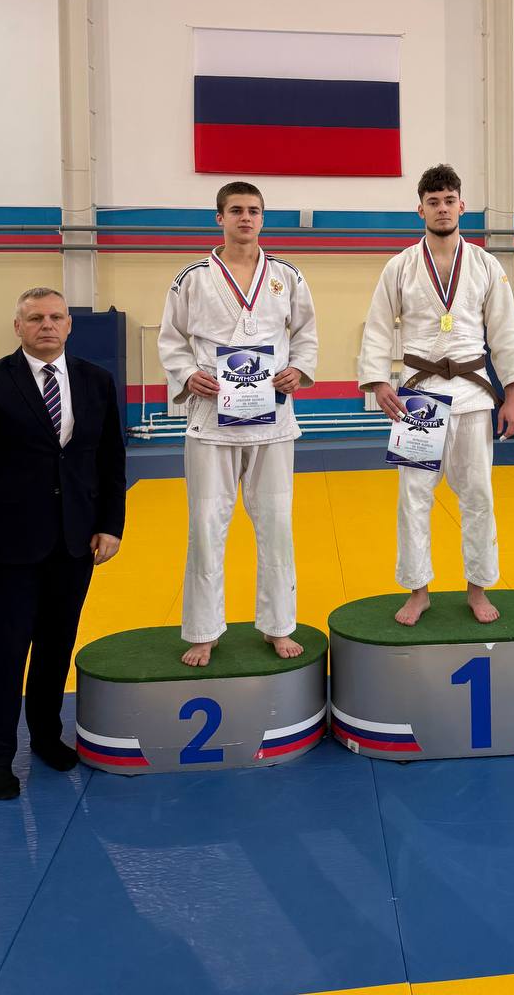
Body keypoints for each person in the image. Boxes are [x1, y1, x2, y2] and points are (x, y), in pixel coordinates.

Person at [0, 288, 126, 801]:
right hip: (9, 544)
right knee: (6, 651)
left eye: (55, 317)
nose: (46, 325)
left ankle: (46, 737)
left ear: (69, 325)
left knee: (56, 646)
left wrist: (111, 524)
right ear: (18, 327)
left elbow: (110, 460)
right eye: (34, 318)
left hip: (75, 540)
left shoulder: (96, 381)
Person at [358, 164, 514, 625]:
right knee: (413, 496)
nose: (441, 209)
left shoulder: (485, 265)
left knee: (478, 495)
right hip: (418, 397)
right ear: (420, 209)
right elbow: (378, 326)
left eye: (448, 200)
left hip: (473, 394)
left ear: (461, 206)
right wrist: (378, 380)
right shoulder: (400, 266)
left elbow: (505, 333)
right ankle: (418, 590)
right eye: (432, 202)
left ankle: (478, 588)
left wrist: (513, 395)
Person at [158, 181, 317, 667]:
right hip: (213, 418)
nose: (245, 218)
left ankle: (278, 626)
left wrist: (299, 370)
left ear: (262, 218)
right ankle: (203, 632)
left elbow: (306, 332)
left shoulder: (286, 275)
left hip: (274, 418)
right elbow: (171, 338)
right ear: (219, 218)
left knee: (277, 524)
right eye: (235, 210)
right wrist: (187, 374)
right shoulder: (192, 278)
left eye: (253, 210)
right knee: (206, 526)